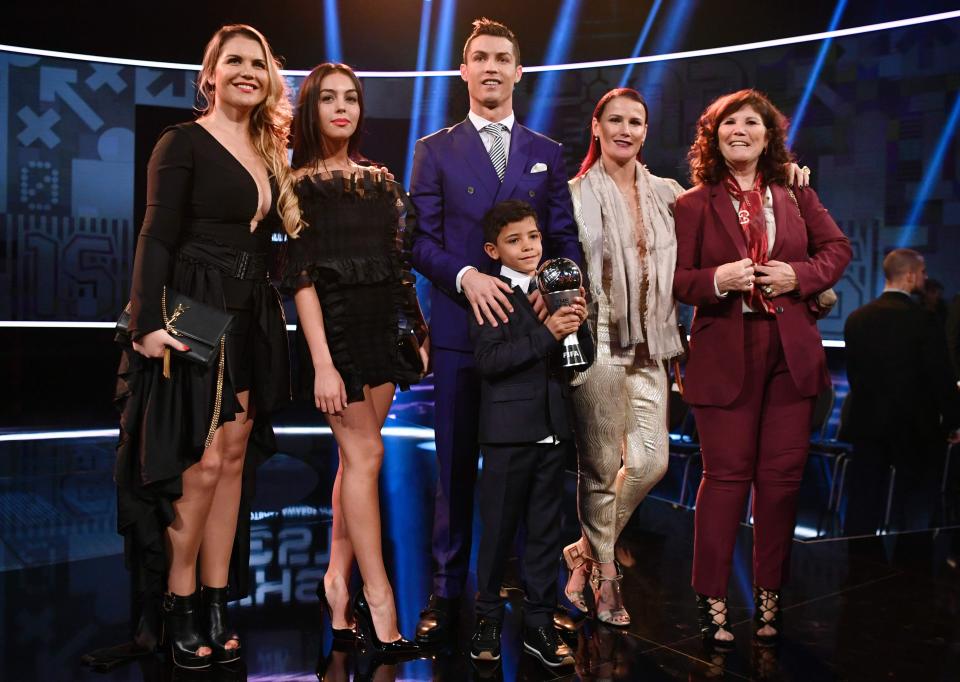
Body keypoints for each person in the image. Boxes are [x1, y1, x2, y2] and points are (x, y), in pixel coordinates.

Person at [114, 24, 297, 668]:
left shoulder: (267, 149)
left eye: (258, 63)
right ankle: (180, 603)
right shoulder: (182, 142)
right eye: (234, 61)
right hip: (191, 305)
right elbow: (156, 236)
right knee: (200, 463)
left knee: (235, 459)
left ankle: (219, 601)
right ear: (210, 74)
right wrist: (143, 323)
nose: (247, 71)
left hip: (249, 313)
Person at [409, 17, 584, 643]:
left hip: (534, 343)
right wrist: (464, 276)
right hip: (461, 333)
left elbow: (563, 239)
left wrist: (565, 299)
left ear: (518, 71)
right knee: (455, 472)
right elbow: (418, 242)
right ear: (463, 70)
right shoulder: (435, 149)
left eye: (501, 57)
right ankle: (447, 594)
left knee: (537, 483)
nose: (490, 67)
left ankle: (525, 600)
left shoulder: (546, 152)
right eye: (479, 57)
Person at [673, 89, 851, 647]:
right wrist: (715, 282)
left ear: (769, 136)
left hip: (790, 354)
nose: (740, 130)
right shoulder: (693, 204)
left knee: (779, 484)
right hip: (725, 350)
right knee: (724, 480)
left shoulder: (796, 195)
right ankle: (712, 599)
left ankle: (771, 595)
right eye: (729, 122)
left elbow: (838, 250)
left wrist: (799, 276)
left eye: (753, 122)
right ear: (715, 136)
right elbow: (675, 279)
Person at [285, 62, 428, 654]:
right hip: (336, 338)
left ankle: (335, 584)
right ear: (311, 109)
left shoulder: (382, 182)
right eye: (329, 99)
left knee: (355, 465)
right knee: (366, 454)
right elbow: (300, 280)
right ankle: (382, 602)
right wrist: (320, 361)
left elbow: (398, 268)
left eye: (351, 99)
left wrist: (416, 331)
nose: (342, 108)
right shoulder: (295, 186)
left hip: (383, 335)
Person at [562, 88, 686, 627]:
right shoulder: (570, 195)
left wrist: (788, 175)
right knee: (599, 467)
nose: (626, 129)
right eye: (615, 119)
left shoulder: (670, 194)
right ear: (596, 126)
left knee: (652, 461)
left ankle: (583, 550)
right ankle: (608, 578)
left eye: (636, 122)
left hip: (652, 344)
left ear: (645, 132)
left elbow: (723, 216)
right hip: (596, 341)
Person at [468, 200, 592, 668]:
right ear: (493, 250)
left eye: (534, 237)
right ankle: (486, 619)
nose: (527, 247)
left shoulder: (558, 287)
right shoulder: (491, 296)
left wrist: (578, 324)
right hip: (506, 435)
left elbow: (580, 358)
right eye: (515, 240)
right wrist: (548, 333)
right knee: (498, 534)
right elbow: (490, 361)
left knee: (544, 534)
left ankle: (538, 623)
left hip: (553, 431)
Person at [843, 249, 960, 534]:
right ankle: (912, 569)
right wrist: (954, 420)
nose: (925, 278)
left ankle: (859, 569)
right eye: (923, 273)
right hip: (915, 428)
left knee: (863, 506)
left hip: (867, 424)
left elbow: (854, 375)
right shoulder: (924, 321)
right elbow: (940, 377)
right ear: (910, 275)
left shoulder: (856, 318)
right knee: (914, 508)